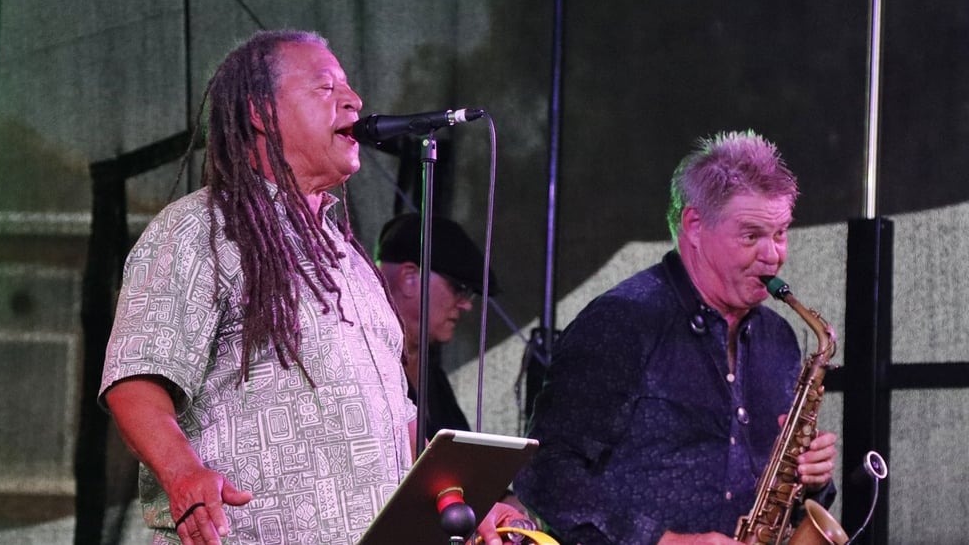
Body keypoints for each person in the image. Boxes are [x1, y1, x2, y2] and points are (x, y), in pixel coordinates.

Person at [99, 29, 520, 545]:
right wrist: (182, 472)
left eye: (349, 86)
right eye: (325, 87)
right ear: (260, 111)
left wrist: (464, 501)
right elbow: (136, 379)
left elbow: (395, 424)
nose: (354, 100)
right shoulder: (199, 230)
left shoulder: (349, 260)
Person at [513, 130, 839, 545]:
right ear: (694, 226)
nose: (773, 255)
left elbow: (783, 495)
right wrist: (664, 541)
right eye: (751, 235)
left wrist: (813, 479)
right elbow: (543, 471)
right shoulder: (622, 322)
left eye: (780, 233)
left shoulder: (779, 339)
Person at [375, 213, 501, 436]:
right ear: (409, 278)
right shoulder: (361, 363)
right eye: (458, 288)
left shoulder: (433, 376)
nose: (466, 305)